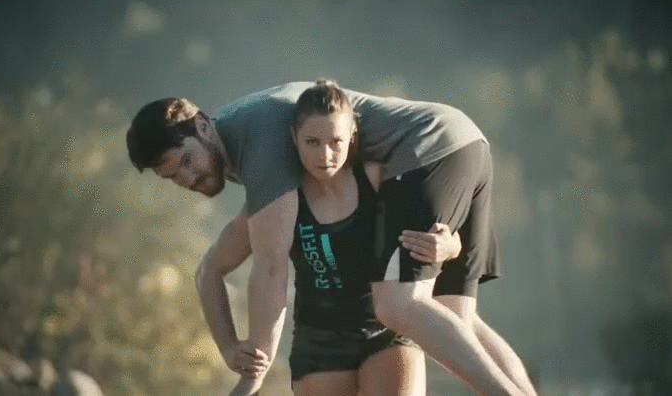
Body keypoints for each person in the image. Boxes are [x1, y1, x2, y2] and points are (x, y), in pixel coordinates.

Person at [126, 81, 537, 396]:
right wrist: (229, 347)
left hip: (427, 148)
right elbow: (213, 269)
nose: (188, 177)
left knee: (397, 304)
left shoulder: (258, 140)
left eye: (187, 160)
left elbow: (271, 268)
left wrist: (250, 380)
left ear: (203, 126)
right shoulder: (238, 139)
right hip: (465, 142)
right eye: (172, 175)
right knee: (453, 316)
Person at [196, 81, 463, 395]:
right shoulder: (277, 202)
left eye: (336, 141)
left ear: (352, 136)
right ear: (293, 138)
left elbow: (445, 238)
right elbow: (208, 270)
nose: (325, 155)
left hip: (387, 333)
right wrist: (228, 347)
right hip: (319, 345)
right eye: (312, 142)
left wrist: (450, 247)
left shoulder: (377, 178)